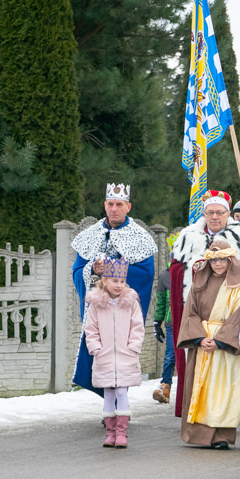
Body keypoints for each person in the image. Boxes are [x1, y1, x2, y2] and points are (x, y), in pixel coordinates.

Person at [169, 190, 240, 417]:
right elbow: (175, 269)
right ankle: (193, 408)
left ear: (228, 214)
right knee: (196, 358)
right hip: (196, 307)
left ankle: (222, 412)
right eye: (210, 212)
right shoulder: (188, 235)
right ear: (204, 213)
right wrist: (196, 267)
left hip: (227, 311)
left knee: (223, 364)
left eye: (219, 212)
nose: (214, 217)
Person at [71, 183, 157, 395]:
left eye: (119, 204)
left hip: (123, 312)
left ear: (128, 207)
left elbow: (145, 274)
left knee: (122, 357)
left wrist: (111, 268)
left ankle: (119, 405)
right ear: (105, 205)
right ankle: (109, 405)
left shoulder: (140, 236)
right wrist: (93, 268)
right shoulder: (90, 234)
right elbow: (77, 270)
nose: (114, 209)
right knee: (100, 355)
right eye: (110, 204)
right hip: (99, 311)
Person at [177, 241, 240, 449]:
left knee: (223, 390)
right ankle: (199, 434)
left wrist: (220, 341)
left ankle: (221, 436)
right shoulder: (198, 285)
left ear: (230, 261)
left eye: (222, 260)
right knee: (200, 390)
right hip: (202, 343)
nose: (218, 264)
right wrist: (200, 338)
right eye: (214, 260)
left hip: (224, 345)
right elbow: (189, 313)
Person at [84, 257, 144, 448]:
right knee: (108, 392)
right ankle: (110, 433)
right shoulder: (96, 304)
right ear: (104, 281)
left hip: (126, 355)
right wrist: (95, 348)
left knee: (121, 391)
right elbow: (90, 328)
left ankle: (121, 433)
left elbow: (137, 326)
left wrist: (133, 347)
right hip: (104, 356)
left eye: (121, 281)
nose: (119, 285)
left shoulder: (131, 302)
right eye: (114, 281)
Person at [152, 257, 174, 404]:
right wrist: (157, 322)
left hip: (191, 322)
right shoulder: (165, 276)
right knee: (170, 356)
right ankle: (165, 387)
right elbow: (161, 301)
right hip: (171, 322)